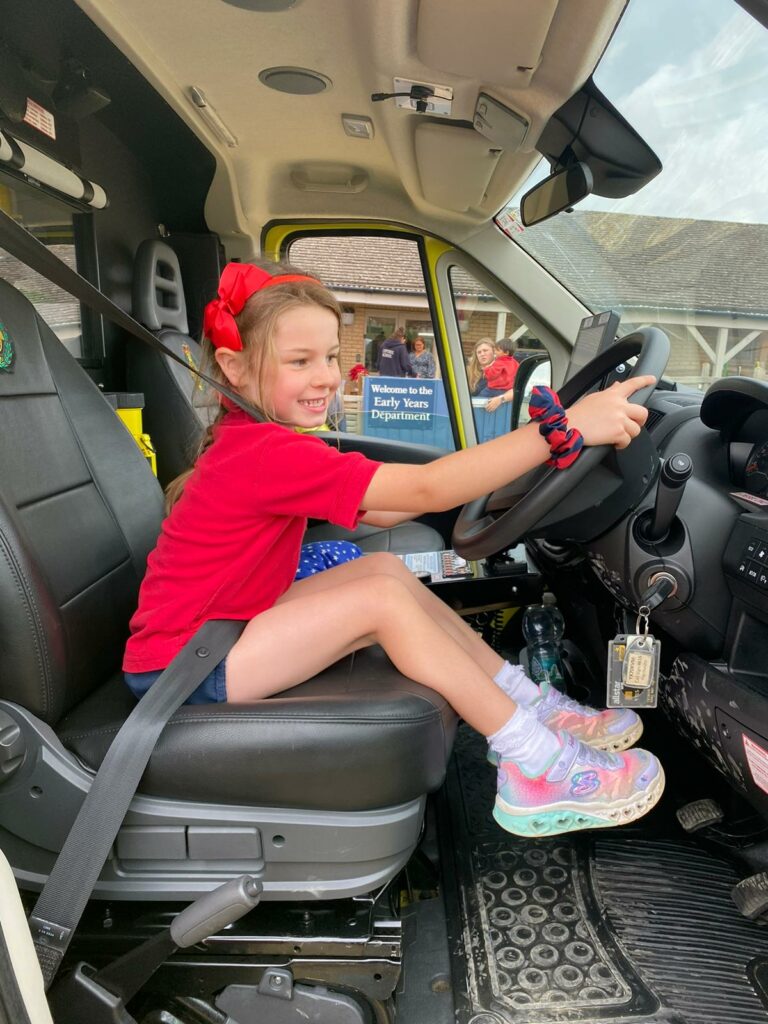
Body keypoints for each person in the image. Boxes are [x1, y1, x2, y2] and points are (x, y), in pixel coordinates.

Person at [123, 260, 663, 839]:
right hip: (182, 668)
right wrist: (561, 431)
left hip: (217, 632)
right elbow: (427, 489)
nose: (326, 376)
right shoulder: (266, 453)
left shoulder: (258, 440)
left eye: (330, 357)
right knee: (379, 602)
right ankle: (537, 764)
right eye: (299, 361)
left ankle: (527, 702)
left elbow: (383, 508)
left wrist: (508, 479)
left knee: (381, 568)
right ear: (234, 368)